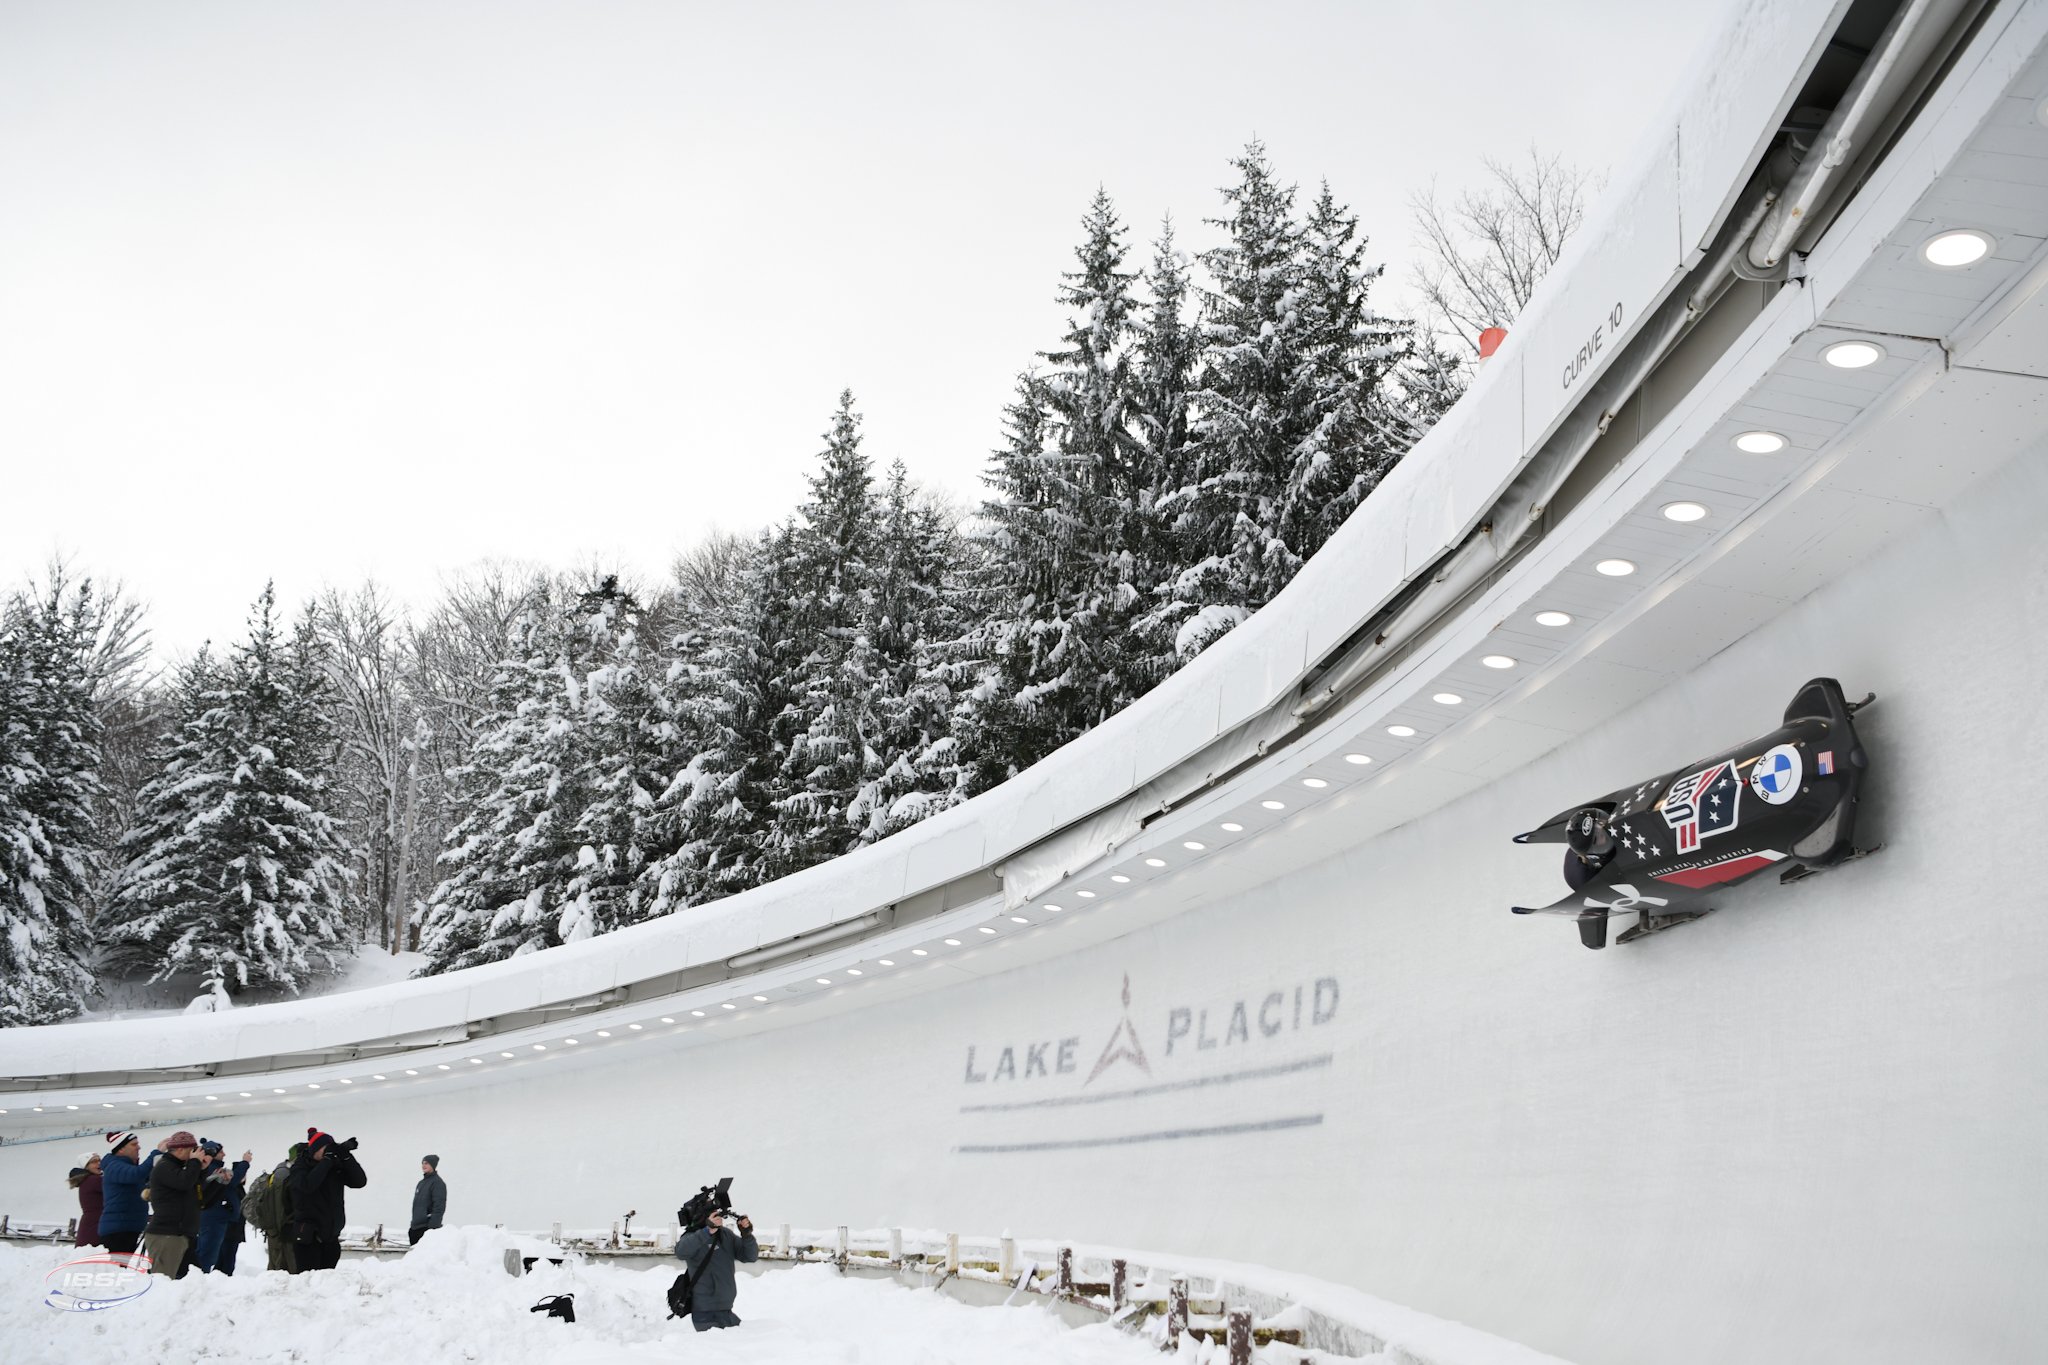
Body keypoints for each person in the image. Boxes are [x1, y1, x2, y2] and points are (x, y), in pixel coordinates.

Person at [285, 1129, 365, 1272]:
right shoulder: (300, 1166)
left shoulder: (334, 1166)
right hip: (308, 1239)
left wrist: (346, 1156)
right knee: (308, 1283)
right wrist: (327, 1161)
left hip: (331, 1238)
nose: (330, 1151)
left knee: (327, 1284)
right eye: (326, 1148)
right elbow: (307, 1186)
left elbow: (359, 1181)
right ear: (315, 1150)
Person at [671, 1208, 758, 1331]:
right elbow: (680, 1252)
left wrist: (747, 1235)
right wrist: (707, 1231)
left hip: (726, 1311)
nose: (718, 1216)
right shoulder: (693, 1236)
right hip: (704, 1313)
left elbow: (750, 1256)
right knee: (713, 1349)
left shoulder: (726, 1235)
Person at [140, 1132, 203, 1278]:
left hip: (180, 1234)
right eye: (191, 1150)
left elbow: (196, 1191)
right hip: (166, 1235)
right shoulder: (164, 1166)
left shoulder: (180, 1168)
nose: (193, 1154)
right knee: (163, 1282)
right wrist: (195, 1163)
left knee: (184, 1283)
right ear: (180, 1149)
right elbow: (184, 1183)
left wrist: (201, 1168)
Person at [96, 1131, 159, 1257]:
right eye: (134, 1144)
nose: (138, 1147)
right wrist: (156, 1154)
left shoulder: (123, 1166)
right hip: (118, 1230)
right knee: (114, 1270)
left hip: (127, 1227)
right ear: (120, 1149)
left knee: (119, 1269)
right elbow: (137, 1174)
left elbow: (143, 1176)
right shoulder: (114, 1166)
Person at [194, 1141, 251, 1274]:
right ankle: (200, 1279)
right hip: (214, 1218)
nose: (224, 1154)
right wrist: (245, 1163)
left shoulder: (213, 1168)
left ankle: (205, 1278)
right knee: (207, 1254)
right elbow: (232, 1180)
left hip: (220, 1218)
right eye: (221, 1152)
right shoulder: (211, 1170)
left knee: (212, 1254)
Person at [246, 1144, 300, 1273]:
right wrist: (280, 1232)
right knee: (281, 1270)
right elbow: (278, 1209)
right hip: (280, 1235)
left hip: (276, 1234)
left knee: (277, 1268)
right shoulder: (283, 1176)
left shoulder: (281, 1172)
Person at [409, 1155, 447, 1246]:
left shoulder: (437, 1183)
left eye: (426, 1163)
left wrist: (431, 1229)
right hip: (415, 1228)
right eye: (422, 1163)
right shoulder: (421, 1183)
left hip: (426, 1229)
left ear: (433, 1165)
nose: (423, 1165)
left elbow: (439, 1207)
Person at [68, 1153, 103, 1246]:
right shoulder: (93, 1180)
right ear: (86, 1166)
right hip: (95, 1227)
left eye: (100, 1160)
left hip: (90, 1226)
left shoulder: (88, 1180)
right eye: (94, 1162)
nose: (99, 1163)